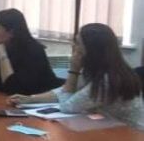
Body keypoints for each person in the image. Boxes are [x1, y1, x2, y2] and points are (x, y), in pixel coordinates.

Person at [9, 23, 144, 129]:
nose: (73, 46)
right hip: (111, 129)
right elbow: (65, 91)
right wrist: (31, 99)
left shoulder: (108, 79)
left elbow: (68, 107)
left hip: (133, 136)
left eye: (78, 43)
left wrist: (73, 71)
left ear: (92, 49)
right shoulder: (100, 69)